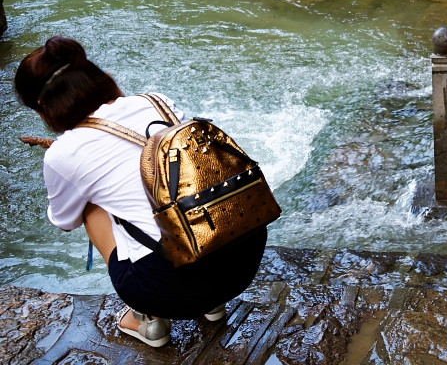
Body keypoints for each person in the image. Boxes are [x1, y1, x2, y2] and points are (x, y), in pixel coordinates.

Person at [15, 36, 267, 348]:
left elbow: (65, 220)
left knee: (90, 205)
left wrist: (68, 171)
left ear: (42, 106)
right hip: (245, 261)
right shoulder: (157, 102)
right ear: (97, 75)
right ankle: (213, 305)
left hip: (169, 291)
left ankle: (148, 320)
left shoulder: (63, 153)